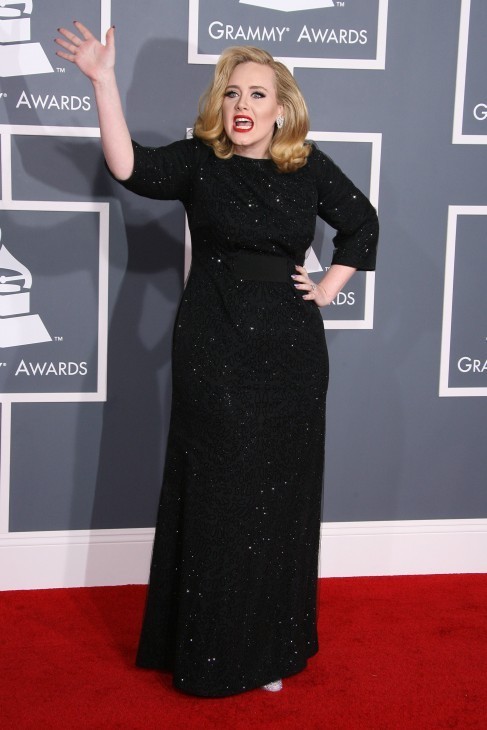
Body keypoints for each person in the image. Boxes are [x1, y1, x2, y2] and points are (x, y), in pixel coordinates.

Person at [55, 21, 378, 697]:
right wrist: (102, 81)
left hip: (291, 356)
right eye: (232, 91)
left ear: (280, 108)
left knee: (277, 504)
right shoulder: (202, 163)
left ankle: (266, 652)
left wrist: (324, 287)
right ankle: (209, 650)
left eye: (258, 93)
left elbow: (361, 223)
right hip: (213, 345)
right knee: (221, 498)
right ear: (220, 103)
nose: (243, 103)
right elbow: (129, 168)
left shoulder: (307, 165)